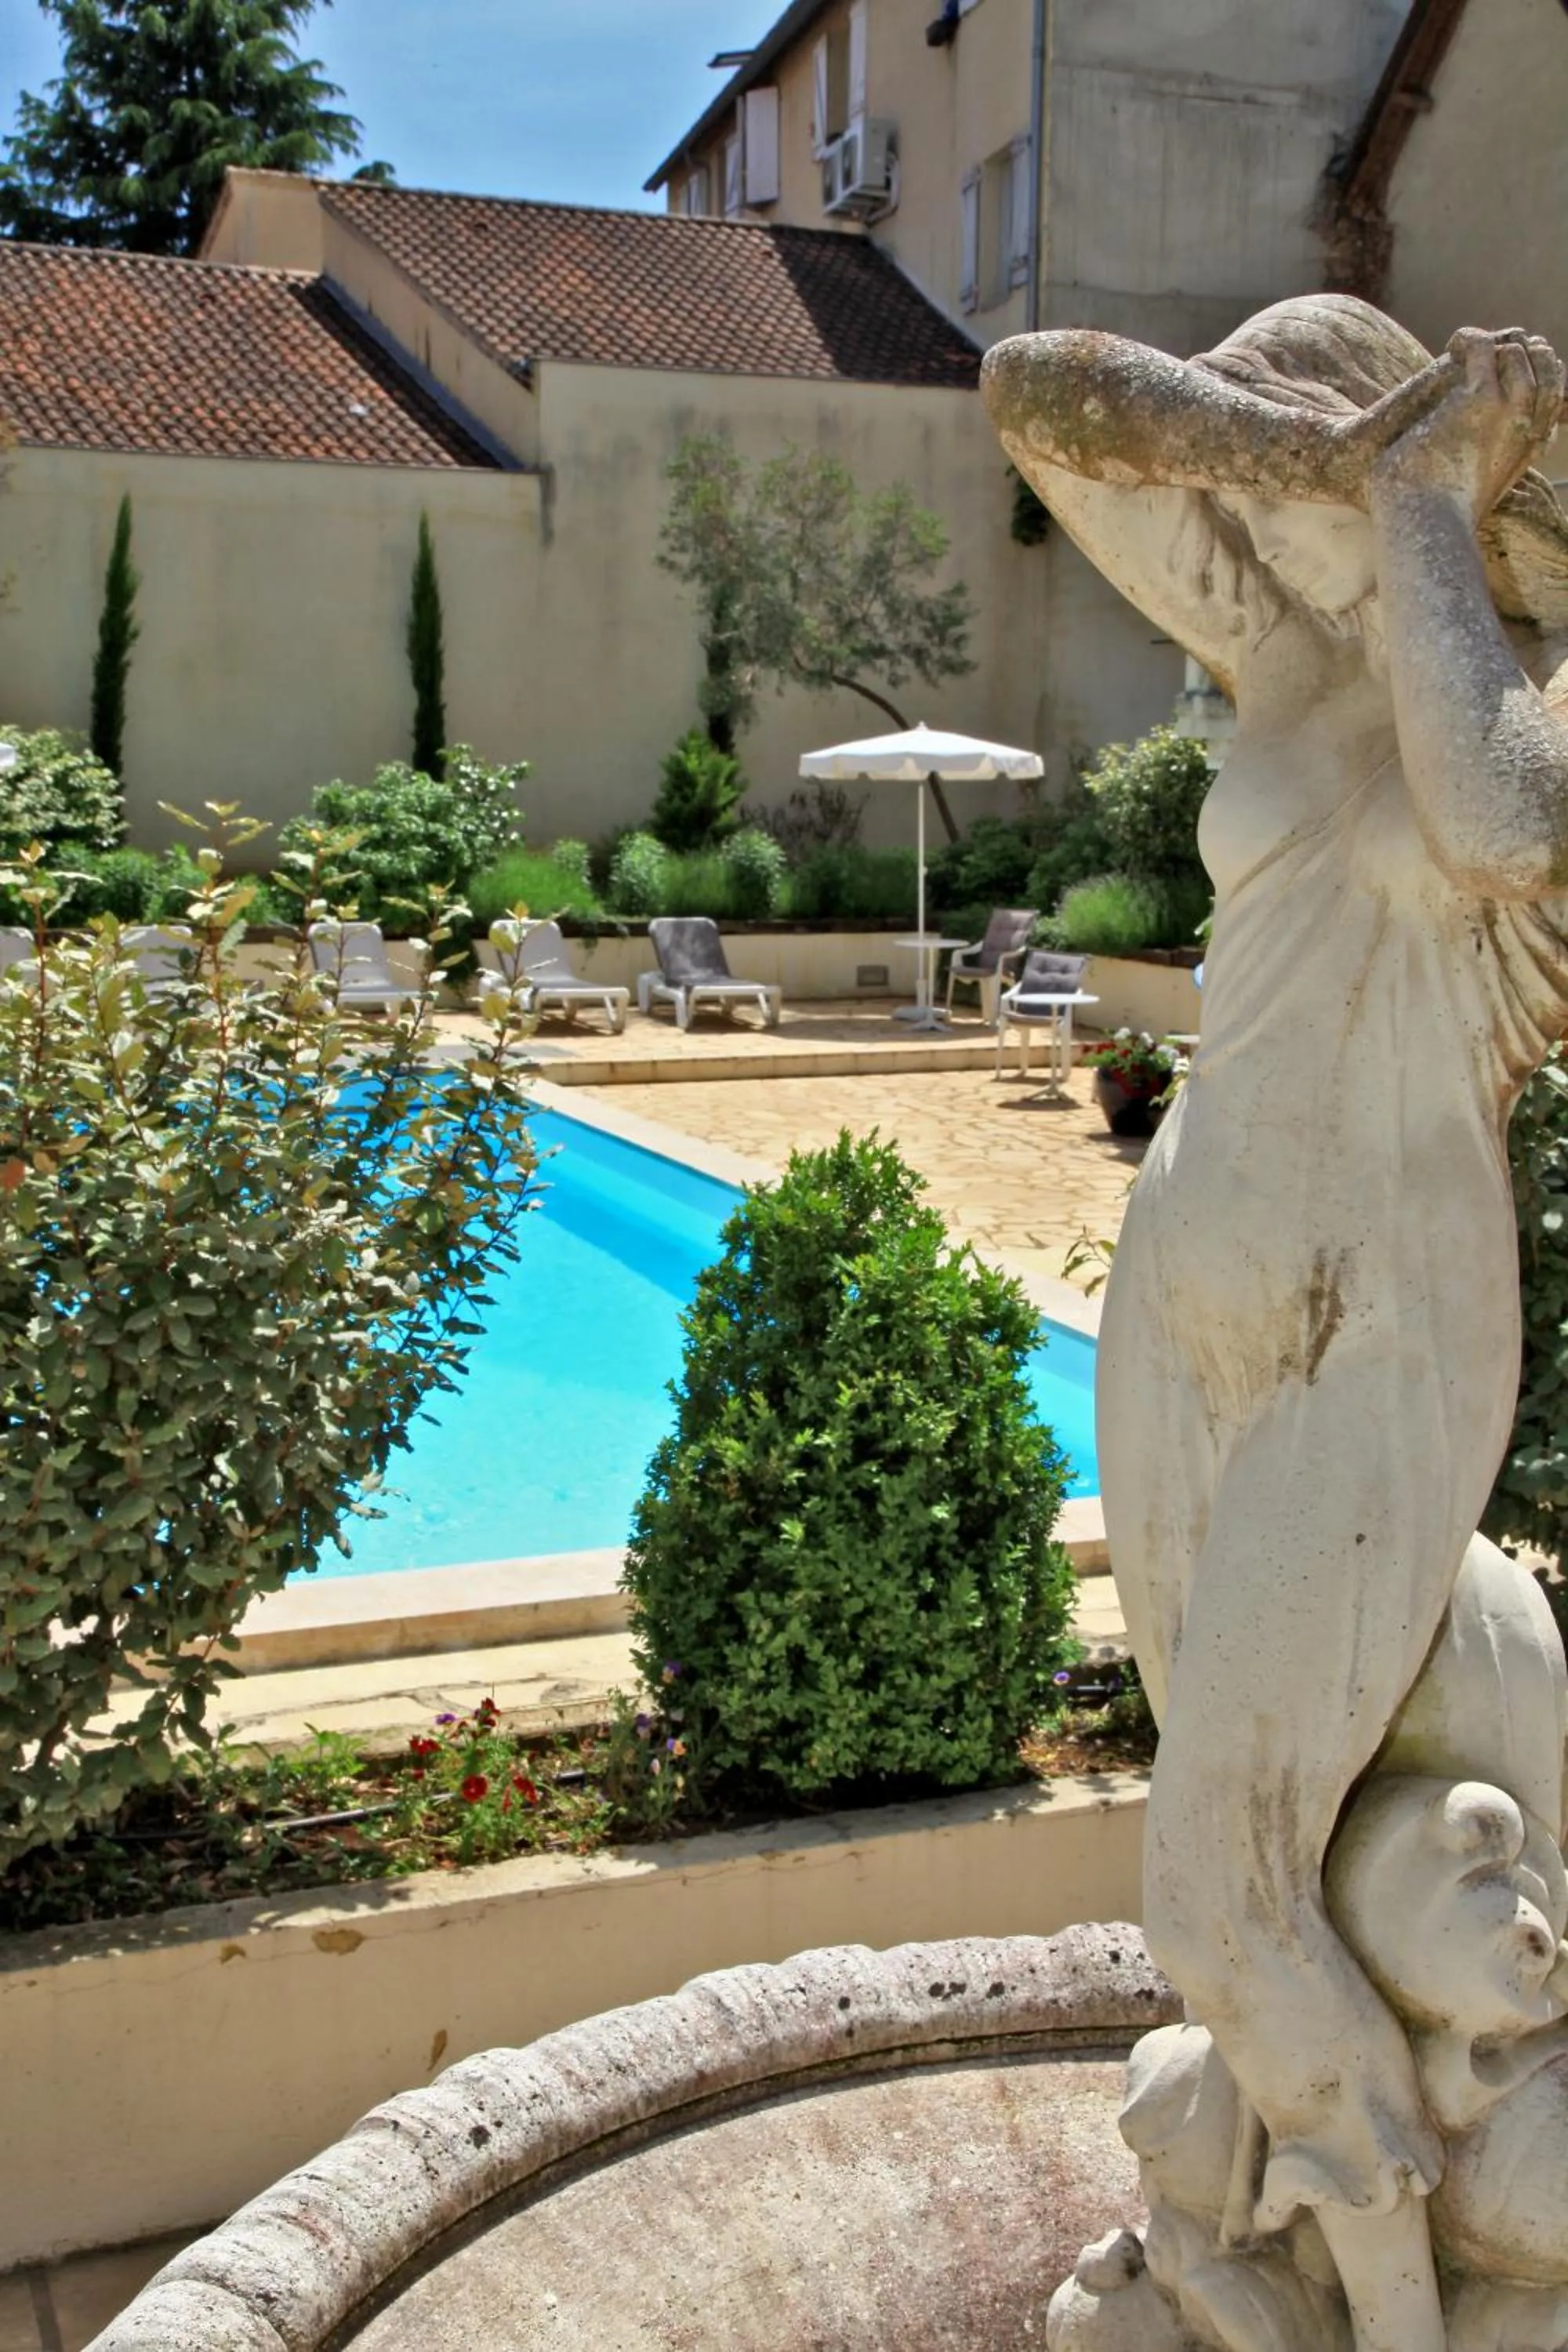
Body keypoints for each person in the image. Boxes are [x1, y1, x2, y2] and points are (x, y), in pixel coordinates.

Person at [982, 297, 1568, 2352]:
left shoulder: (1527, 689)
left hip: (1383, 1320)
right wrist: (1331, 464)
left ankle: (1395, 2310)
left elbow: (1502, 831)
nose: (1246, 509)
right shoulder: (1277, 640)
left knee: (1215, 1892)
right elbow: (1041, 401)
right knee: (1266, 1861)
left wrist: (1421, 504)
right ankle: (1283, 2223)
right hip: (1190, 1273)